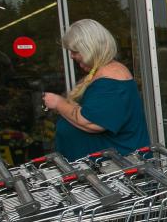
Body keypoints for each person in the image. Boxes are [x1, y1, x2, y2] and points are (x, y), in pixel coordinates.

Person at [43, 19, 150, 161]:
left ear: (90, 48)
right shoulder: (103, 73)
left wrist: (58, 103)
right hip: (100, 170)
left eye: (75, 51)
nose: (71, 56)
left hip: (115, 171)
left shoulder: (112, 79)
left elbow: (91, 122)